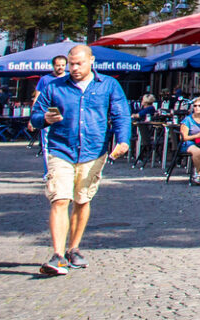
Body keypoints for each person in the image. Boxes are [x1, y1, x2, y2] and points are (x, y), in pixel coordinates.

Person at [33, 44, 132, 276]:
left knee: (82, 199)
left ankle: (73, 248)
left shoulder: (108, 85)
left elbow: (121, 114)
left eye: (79, 63)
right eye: (71, 64)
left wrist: (123, 140)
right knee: (60, 199)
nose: (74, 68)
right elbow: (35, 117)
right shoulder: (54, 86)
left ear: (91, 61)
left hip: (94, 151)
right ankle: (57, 255)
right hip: (61, 149)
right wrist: (44, 118)